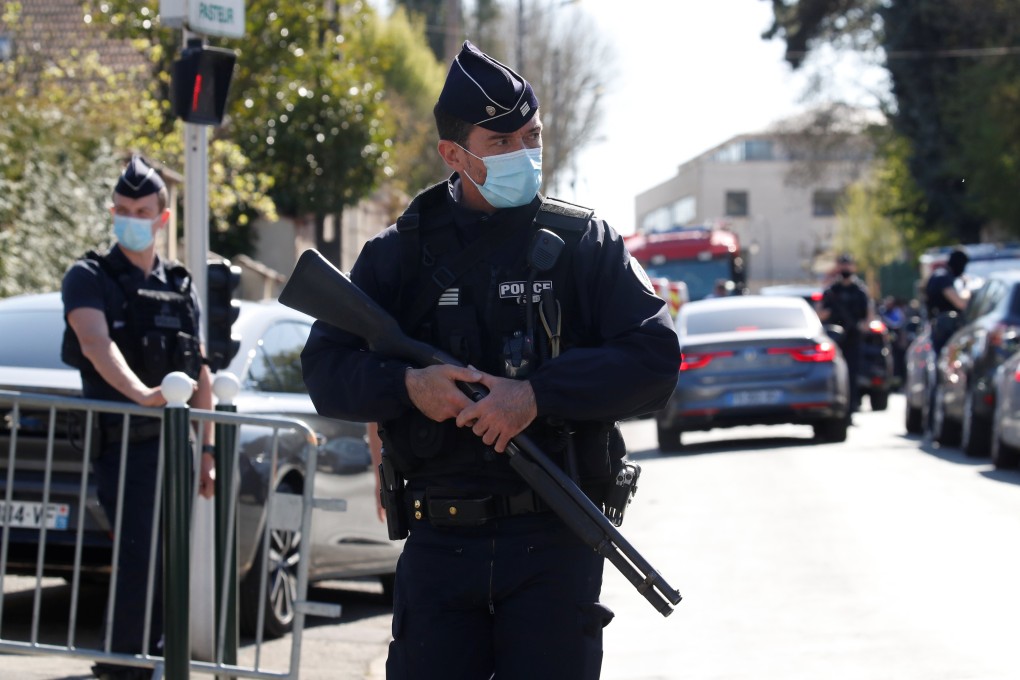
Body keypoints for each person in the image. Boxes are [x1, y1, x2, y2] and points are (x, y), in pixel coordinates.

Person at [301, 41, 679, 680]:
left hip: (555, 538)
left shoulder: (584, 243)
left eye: (531, 137)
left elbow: (655, 359)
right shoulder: (398, 254)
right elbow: (324, 370)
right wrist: (409, 386)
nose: (524, 156)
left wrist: (536, 397)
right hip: (440, 543)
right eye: (501, 145)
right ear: (453, 154)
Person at [61, 155, 215, 680]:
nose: (130, 216)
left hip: (178, 445)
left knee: (172, 562)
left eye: (141, 209)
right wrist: (141, 393)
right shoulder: (88, 275)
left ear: (161, 218)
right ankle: (123, 665)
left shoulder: (179, 282)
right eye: (122, 209)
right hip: (126, 441)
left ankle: (152, 660)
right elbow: (96, 344)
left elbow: (201, 368)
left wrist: (208, 449)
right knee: (138, 558)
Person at [817, 253, 872, 414]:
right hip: (834, 339)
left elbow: (869, 315)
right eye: (842, 265)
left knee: (853, 373)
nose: (845, 268)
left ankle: (852, 407)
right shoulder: (832, 290)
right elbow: (820, 314)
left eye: (848, 265)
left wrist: (863, 325)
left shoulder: (860, 290)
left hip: (853, 338)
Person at [925, 247, 969, 357]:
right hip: (945, 327)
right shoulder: (943, 277)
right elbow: (960, 303)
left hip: (939, 326)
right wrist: (967, 288)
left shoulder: (939, 275)